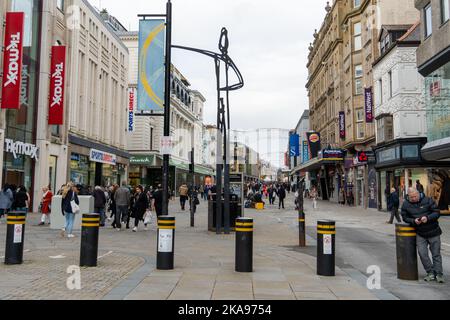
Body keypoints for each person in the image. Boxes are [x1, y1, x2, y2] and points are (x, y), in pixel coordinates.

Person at [401, 188, 444, 283]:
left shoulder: (428, 200)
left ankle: (439, 274)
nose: (413, 198)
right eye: (411, 197)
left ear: (418, 193)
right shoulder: (406, 204)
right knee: (422, 254)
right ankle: (430, 272)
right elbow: (404, 217)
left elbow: (437, 212)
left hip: (433, 231)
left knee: (436, 254)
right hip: (420, 233)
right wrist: (413, 221)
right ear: (408, 195)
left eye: (415, 196)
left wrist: (427, 218)